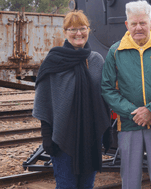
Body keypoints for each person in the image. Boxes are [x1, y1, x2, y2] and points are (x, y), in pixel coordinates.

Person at [101, 0, 151, 189]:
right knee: (130, 179)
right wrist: (134, 112)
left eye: (143, 23)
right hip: (129, 123)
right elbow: (107, 88)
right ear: (127, 25)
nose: (138, 28)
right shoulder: (115, 51)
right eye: (134, 23)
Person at [33, 10, 111, 189]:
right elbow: (44, 101)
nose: (78, 33)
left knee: (86, 186)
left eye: (82, 28)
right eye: (72, 29)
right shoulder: (54, 61)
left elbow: (105, 98)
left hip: (91, 137)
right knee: (66, 185)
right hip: (62, 138)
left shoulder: (96, 60)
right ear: (65, 32)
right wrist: (47, 136)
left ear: (88, 30)